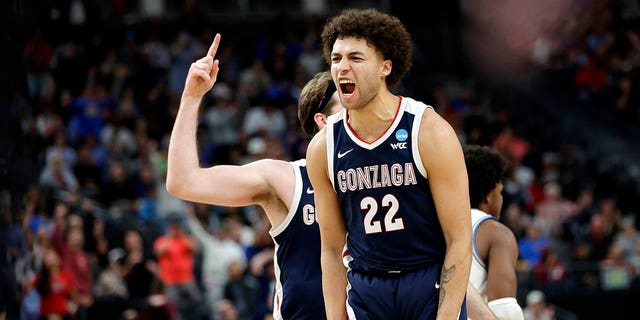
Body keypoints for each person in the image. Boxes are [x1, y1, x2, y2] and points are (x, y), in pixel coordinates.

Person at [306, 8, 471, 319]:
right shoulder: (323, 148)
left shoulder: (428, 131)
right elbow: (330, 249)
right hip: (368, 289)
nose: (342, 67)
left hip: (426, 280)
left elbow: (459, 239)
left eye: (355, 58)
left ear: (385, 67)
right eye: (336, 58)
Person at [165, 33, 342, 319]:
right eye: (348, 109)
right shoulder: (287, 178)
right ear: (323, 121)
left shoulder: (384, 176)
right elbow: (183, 181)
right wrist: (191, 97)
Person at [464, 144, 524, 320]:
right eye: (500, 191)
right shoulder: (496, 233)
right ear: (488, 196)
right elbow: (505, 309)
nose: (502, 198)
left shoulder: (430, 223)